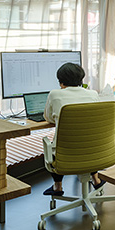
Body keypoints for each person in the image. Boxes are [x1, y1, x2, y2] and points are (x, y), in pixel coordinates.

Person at [42, 62, 102, 196]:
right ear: (81, 80)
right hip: (96, 152)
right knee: (87, 137)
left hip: (66, 155)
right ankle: (96, 179)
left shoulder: (54, 95)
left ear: (61, 82)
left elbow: (48, 118)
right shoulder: (93, 94)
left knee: (53, 146)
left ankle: (58, 186)